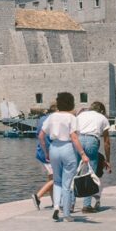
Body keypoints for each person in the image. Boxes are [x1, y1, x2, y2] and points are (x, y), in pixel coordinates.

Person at [39, 92, 89, 222]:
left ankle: (56, 206)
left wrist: (45, 152)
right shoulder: (72, 117)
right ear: (71, 103)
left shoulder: (51, 117)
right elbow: (74, 137)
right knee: (67, 184)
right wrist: (83, 154)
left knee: (57, 181)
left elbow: (41, 136)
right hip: (67, 148)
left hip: (54, 148)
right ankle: (66, 214)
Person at [76, 101, 111, 213]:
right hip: (92, 140)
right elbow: (106, 142)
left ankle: (70, 204)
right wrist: (108, 160)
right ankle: (86, 205)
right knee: (91, 173)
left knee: (75, 171)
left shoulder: (81, 115)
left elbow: (74, 132)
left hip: (79, 139)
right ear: (101, 110)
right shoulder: (102, 118)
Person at [32, 102, 56, 210]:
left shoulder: (42, 119)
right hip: (49, 153)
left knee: (51, 178)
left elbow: (39, 135)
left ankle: (54, 202)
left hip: (41, 152)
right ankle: (38, 196)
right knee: (57, 179)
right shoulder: (54, 120)